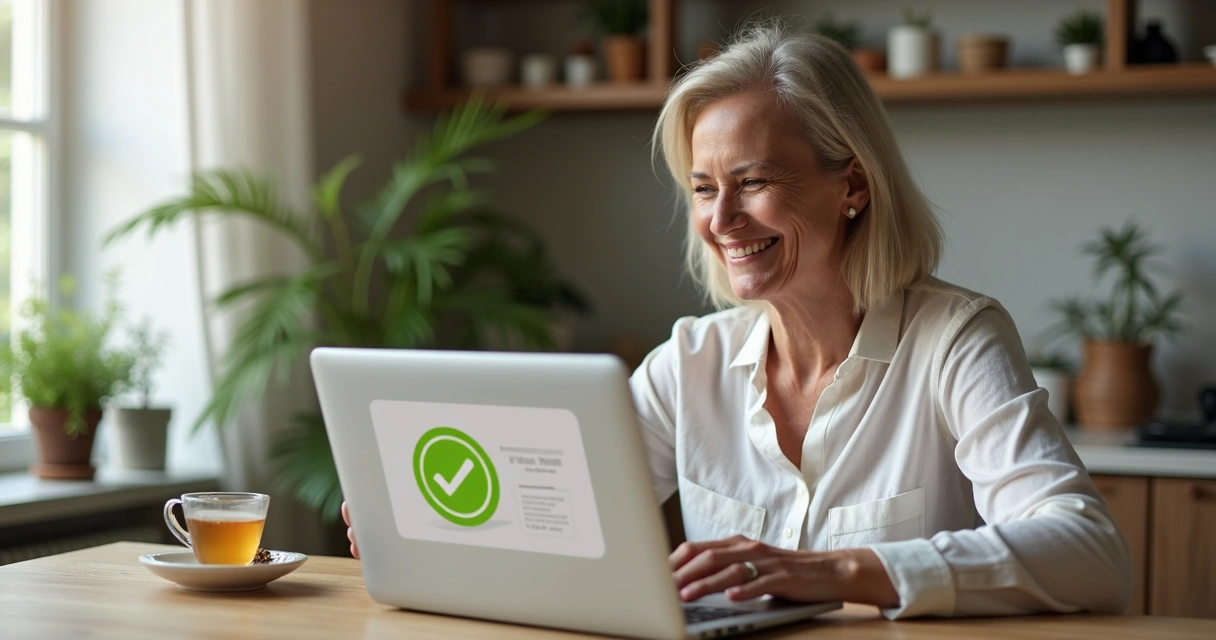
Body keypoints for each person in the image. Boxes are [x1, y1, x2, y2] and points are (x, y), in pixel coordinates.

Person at [345, 23, 1131, 618]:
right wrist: (422, 527)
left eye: (752, 181)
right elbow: (551, 516)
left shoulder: (954, 340)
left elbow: (1091, 554)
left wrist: (839, 572)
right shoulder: (690, 362)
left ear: (851, 185)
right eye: (702, 188)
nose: (722, 220)